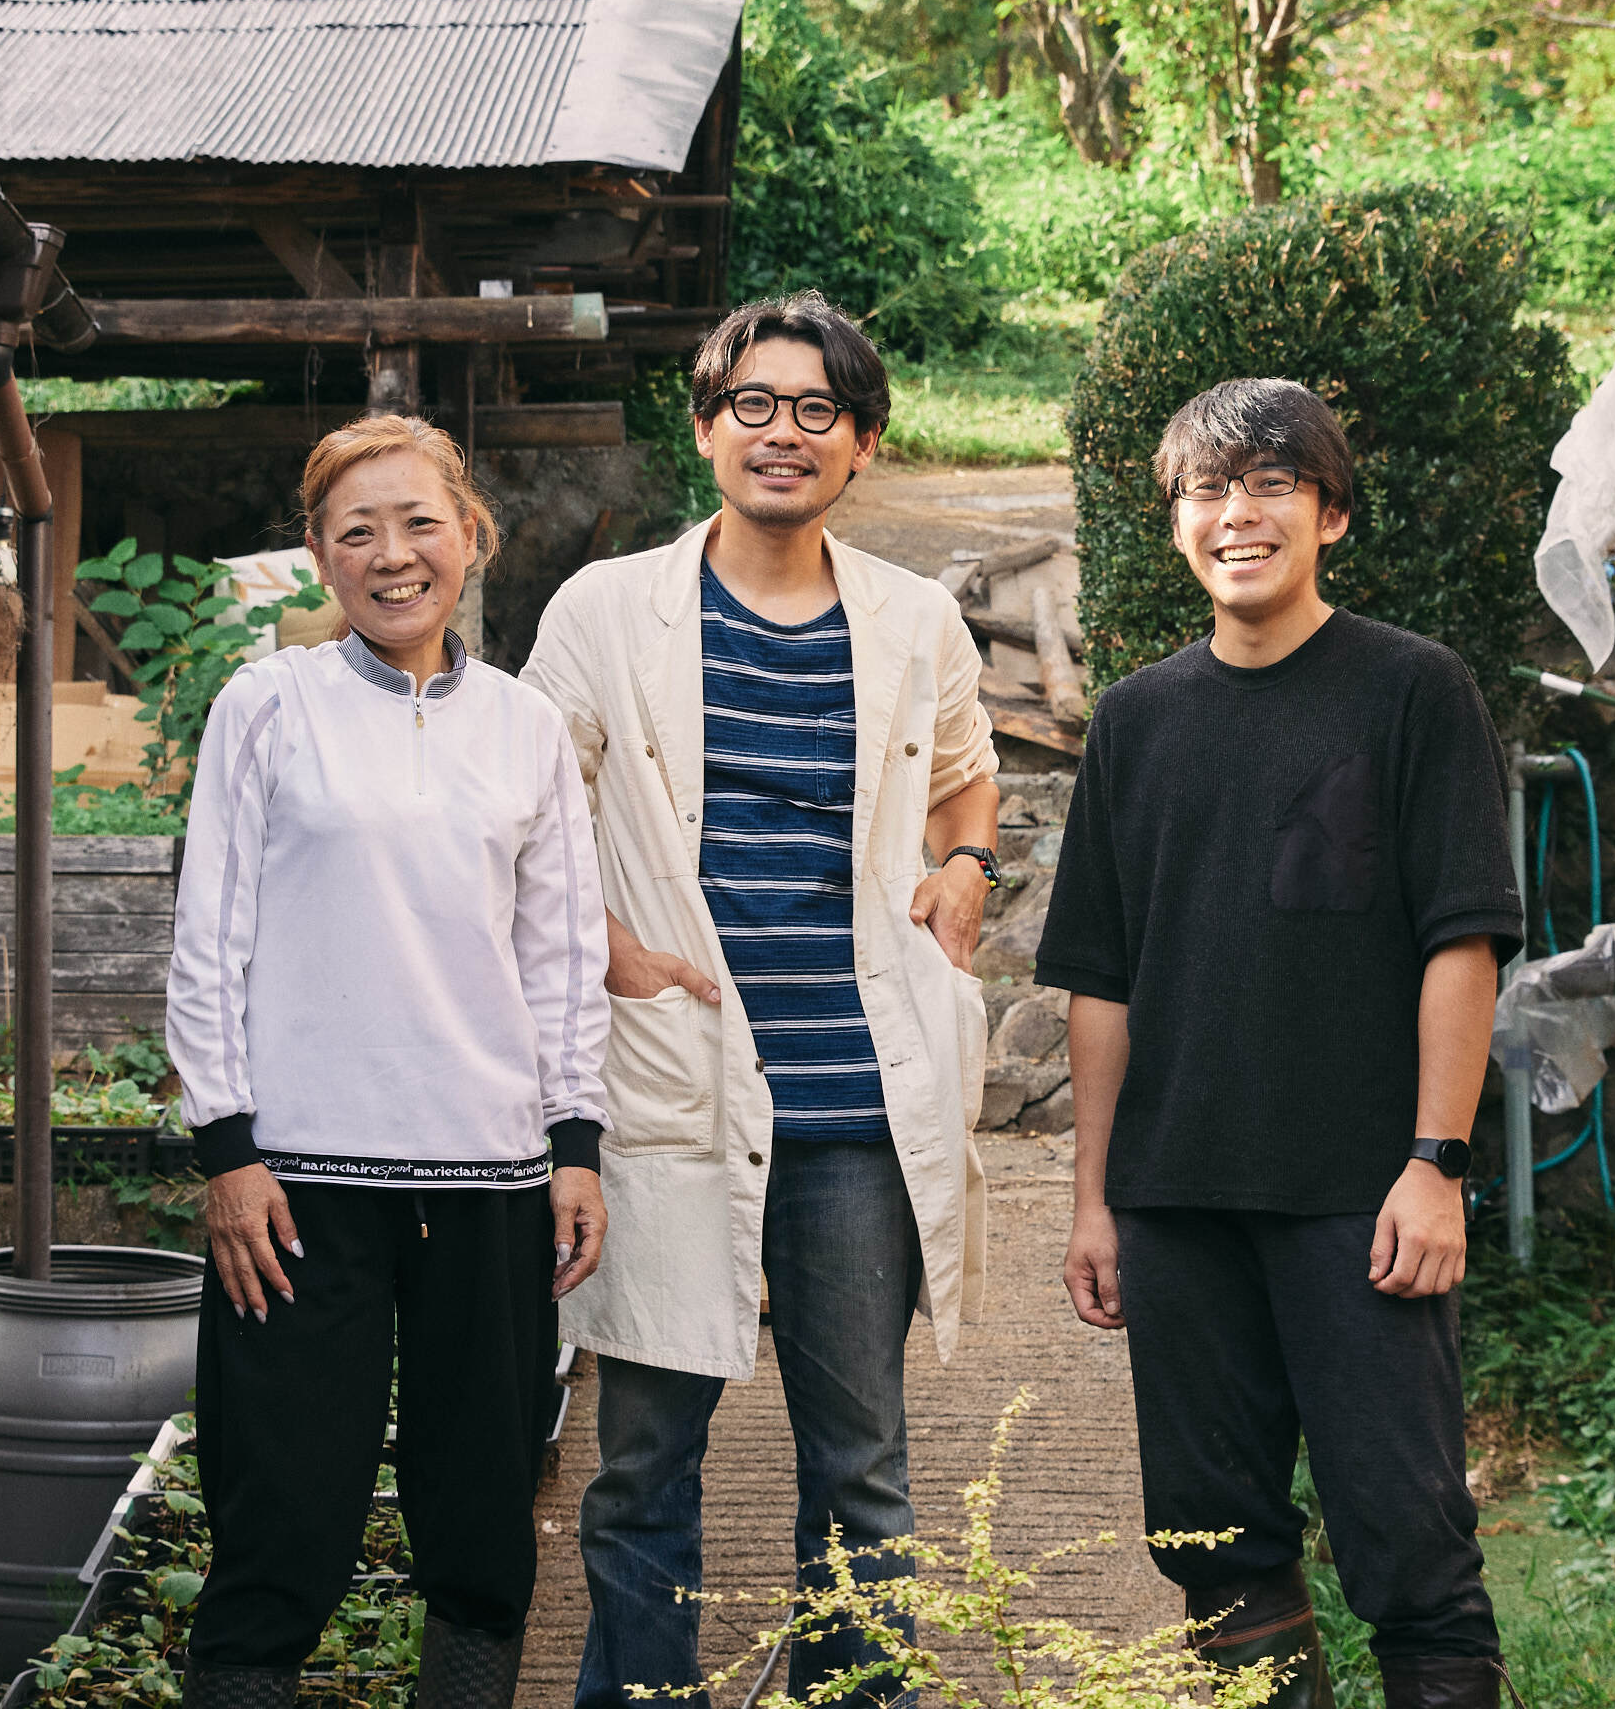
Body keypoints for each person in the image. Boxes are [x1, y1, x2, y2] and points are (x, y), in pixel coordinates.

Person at [522, 292, 1002, 1707]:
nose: (782, 433)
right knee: (641, 1465)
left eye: (816, 411)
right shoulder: (607, 610)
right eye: (753, 405)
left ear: (863, 443)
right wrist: (601, 939)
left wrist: (966, 866)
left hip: (853, 1107)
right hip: (673, 1093)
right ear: (705, 428)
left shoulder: (917, 619)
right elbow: (527, 811)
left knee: (862, 1471)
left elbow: (968, 775)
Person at [1036, 379, 1523, 1709]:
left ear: (1331, 514)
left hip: (1361, 1197)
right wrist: (1093, 1202)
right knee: (1212, 1546)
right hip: (1177, 1201)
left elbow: (1462, 943)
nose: (1236, 514)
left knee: (1411, 1542)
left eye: (1270, 486)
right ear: (1176, 521)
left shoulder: (1412, 691)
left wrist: (1436, 1163)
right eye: (1208, 489)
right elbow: (1099, 983)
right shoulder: (1137, 720)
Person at [166, 414, 613, 1709]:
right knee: (279, 1511)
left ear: (471, 535)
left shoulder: (525, 728)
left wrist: (574, 1145)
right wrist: (226, 1149)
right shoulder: (268, 708)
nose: (393, 554)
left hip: (490, 1178)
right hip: (297, 1187)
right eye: (356, 532)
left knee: (480, 1522)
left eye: (420, 522)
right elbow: (210, 938)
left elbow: (561, 953)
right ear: (320, 557)